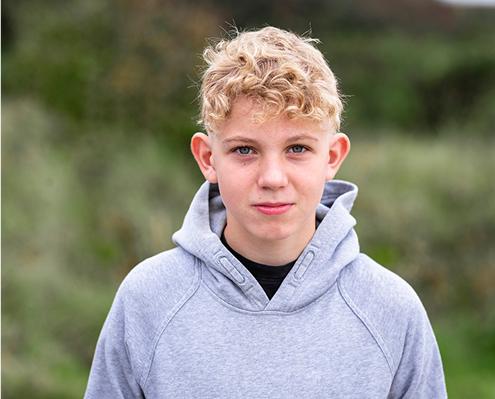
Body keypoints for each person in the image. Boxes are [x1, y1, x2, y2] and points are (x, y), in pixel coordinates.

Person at [84, 26, 447, 398]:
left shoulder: (390, 308)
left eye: (298, 149)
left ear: (332, 156)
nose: (272, 178)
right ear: (208, 158)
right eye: (245, 150)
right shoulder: (148, 300)